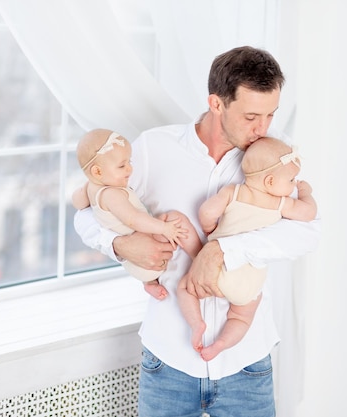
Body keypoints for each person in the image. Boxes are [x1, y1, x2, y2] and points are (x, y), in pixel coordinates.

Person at [74, 46, 321, 416]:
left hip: (247, 364)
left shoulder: (272, 154)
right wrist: (122, 244)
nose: (263, 129)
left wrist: (224, 251)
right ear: (216, 103)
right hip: (168, 362)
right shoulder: (153, 149)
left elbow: (308, 231)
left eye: (271, 115)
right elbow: (87, 212)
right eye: (252, 116)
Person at [177, 137, 318, 362]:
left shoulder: (232, 192)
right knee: (242, 318)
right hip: (249, 283)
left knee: (184, 287)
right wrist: (305, 193)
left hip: (217, 270)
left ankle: (196, 325)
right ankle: (220, 344)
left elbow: (206, 211)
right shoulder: (280, 203)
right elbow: (308, 213)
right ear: (270, 182)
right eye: (291, 179)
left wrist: (210, 228)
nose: (294, 184)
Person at [72, 128, 201, 300]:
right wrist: (165, 228)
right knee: (174, 219)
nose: (130, 169)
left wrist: (86, 187)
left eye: (129, 162)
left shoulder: (91, 188)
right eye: (122, 166)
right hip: (147, 255)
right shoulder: (112, 195)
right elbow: (134, 220)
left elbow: (78, 203)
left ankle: (150, 283)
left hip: (135, 265)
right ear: (97, 172)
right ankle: (199, 259)